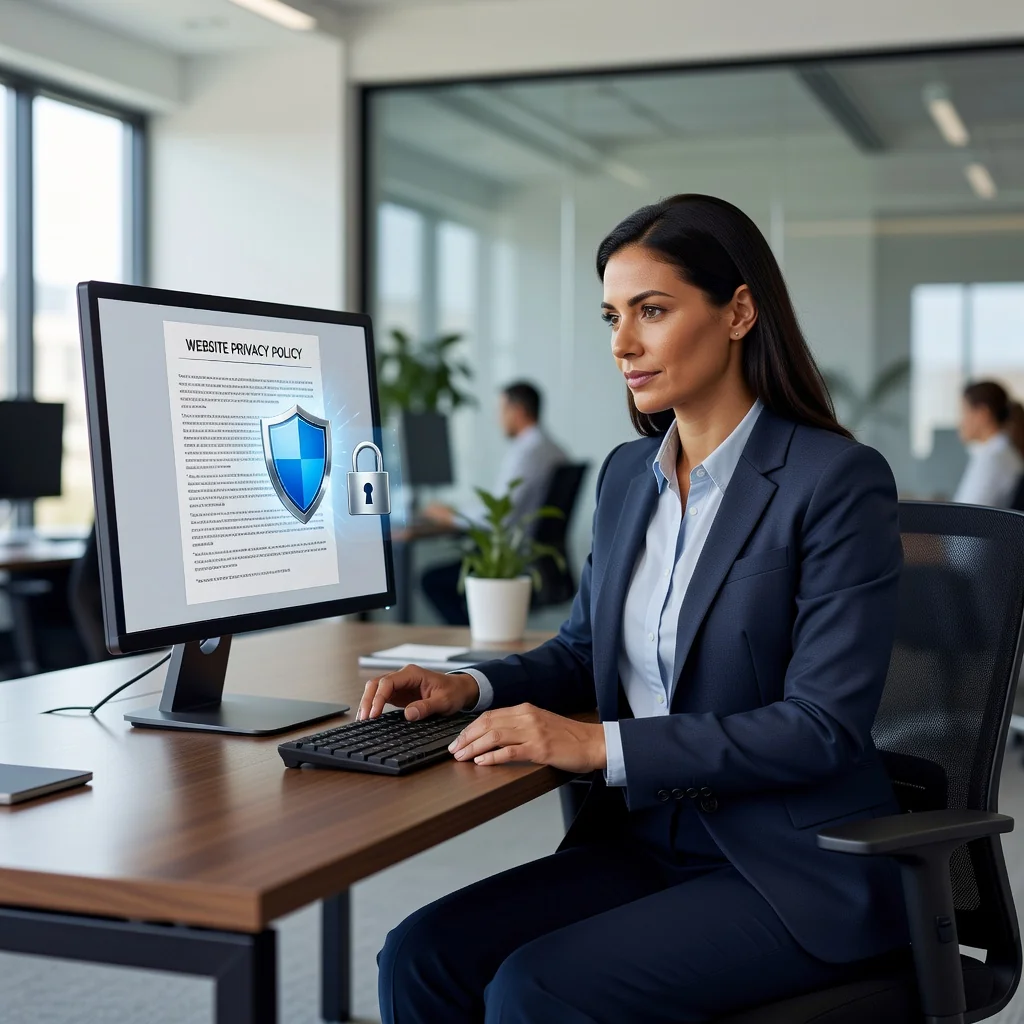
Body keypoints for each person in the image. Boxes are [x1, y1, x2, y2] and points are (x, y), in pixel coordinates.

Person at [363, 194, 909, 1023]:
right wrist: (472, 686)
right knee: (421, 956)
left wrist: (597, 744)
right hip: (646, 836)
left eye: (652, 311)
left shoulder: (834, 480)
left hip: (790, 865)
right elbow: (585, 651)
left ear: (739, 312)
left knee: (536, 988)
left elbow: (821, 726)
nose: (622, 343)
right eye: (613, 316)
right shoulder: (628, 476)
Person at [420, 381, 567, 625]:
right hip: (536, 558)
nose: (499, 419)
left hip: (511, 560)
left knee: (431, 581)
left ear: (517, 411)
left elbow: (499, 514)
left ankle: (472, 638)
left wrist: (450, 515)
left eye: (502, 410)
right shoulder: (554, 449)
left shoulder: (527, 452)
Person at [953, 380, 1024, 507]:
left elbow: (965, 513)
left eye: (964, 412)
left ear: (982, 414)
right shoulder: (1001, 452)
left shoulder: (993, 458)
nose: (960, 422)